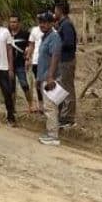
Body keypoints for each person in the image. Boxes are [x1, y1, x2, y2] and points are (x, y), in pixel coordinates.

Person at [35, 12, 63, 146]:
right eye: (41, 22)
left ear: (52, 23)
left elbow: (55, 57)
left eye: (46, 22)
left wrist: (50, 76)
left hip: (50, 78)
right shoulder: (44, 37)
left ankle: (53, 136)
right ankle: (50, 132)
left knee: (50, 107)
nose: (43, 25)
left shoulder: (54, 37)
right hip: (44, 76)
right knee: (48, 106)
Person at [53, 0, 78, 127]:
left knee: (67, 88)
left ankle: (68, 118)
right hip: (62, 61)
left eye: (55, 10)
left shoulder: (67, 25)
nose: (54, 13)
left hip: (67, 61)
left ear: (60, 10)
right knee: (62, 88)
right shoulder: (62, 24)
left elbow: (69, 43)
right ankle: (62, 115)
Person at [8, 14, 34, 112]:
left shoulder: (25, 34)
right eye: (11, 22)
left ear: (19, 23)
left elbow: (30, 45)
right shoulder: (6, 34)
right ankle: (12, 108)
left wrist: (28, 57)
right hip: (9, 65)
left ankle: (31, 105)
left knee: (24, 85)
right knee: (11, 87)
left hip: (20, 64)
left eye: (14, 22)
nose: (12, 24)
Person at [25, 15, 46, 112]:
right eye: (40, 21)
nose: (41, 23)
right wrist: (28, 58)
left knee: (46, 83)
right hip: (36, 61)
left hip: (47, 62)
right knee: (38, 83)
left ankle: (48, 104)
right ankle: (41, 105)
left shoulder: (52, 31)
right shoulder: (34, 30)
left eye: (43, 21)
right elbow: (31, 45)